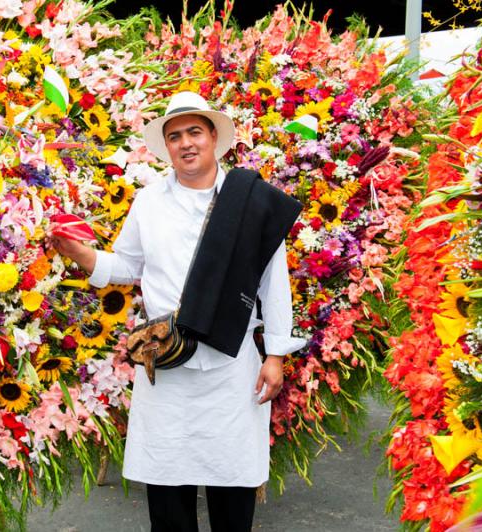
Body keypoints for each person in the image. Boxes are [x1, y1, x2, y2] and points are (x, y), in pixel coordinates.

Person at [52, 91, 306, 532]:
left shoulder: (251, 203)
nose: (186, 143)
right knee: (168, 502)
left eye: (194, 132)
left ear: (213, 138)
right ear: (166, 147)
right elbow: (127, 266)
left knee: (233, 497)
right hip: (166, 369)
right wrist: (81, 255)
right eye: (175, 136)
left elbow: (273, 282)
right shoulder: (149, 202)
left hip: (231, 371)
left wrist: (276, 356)